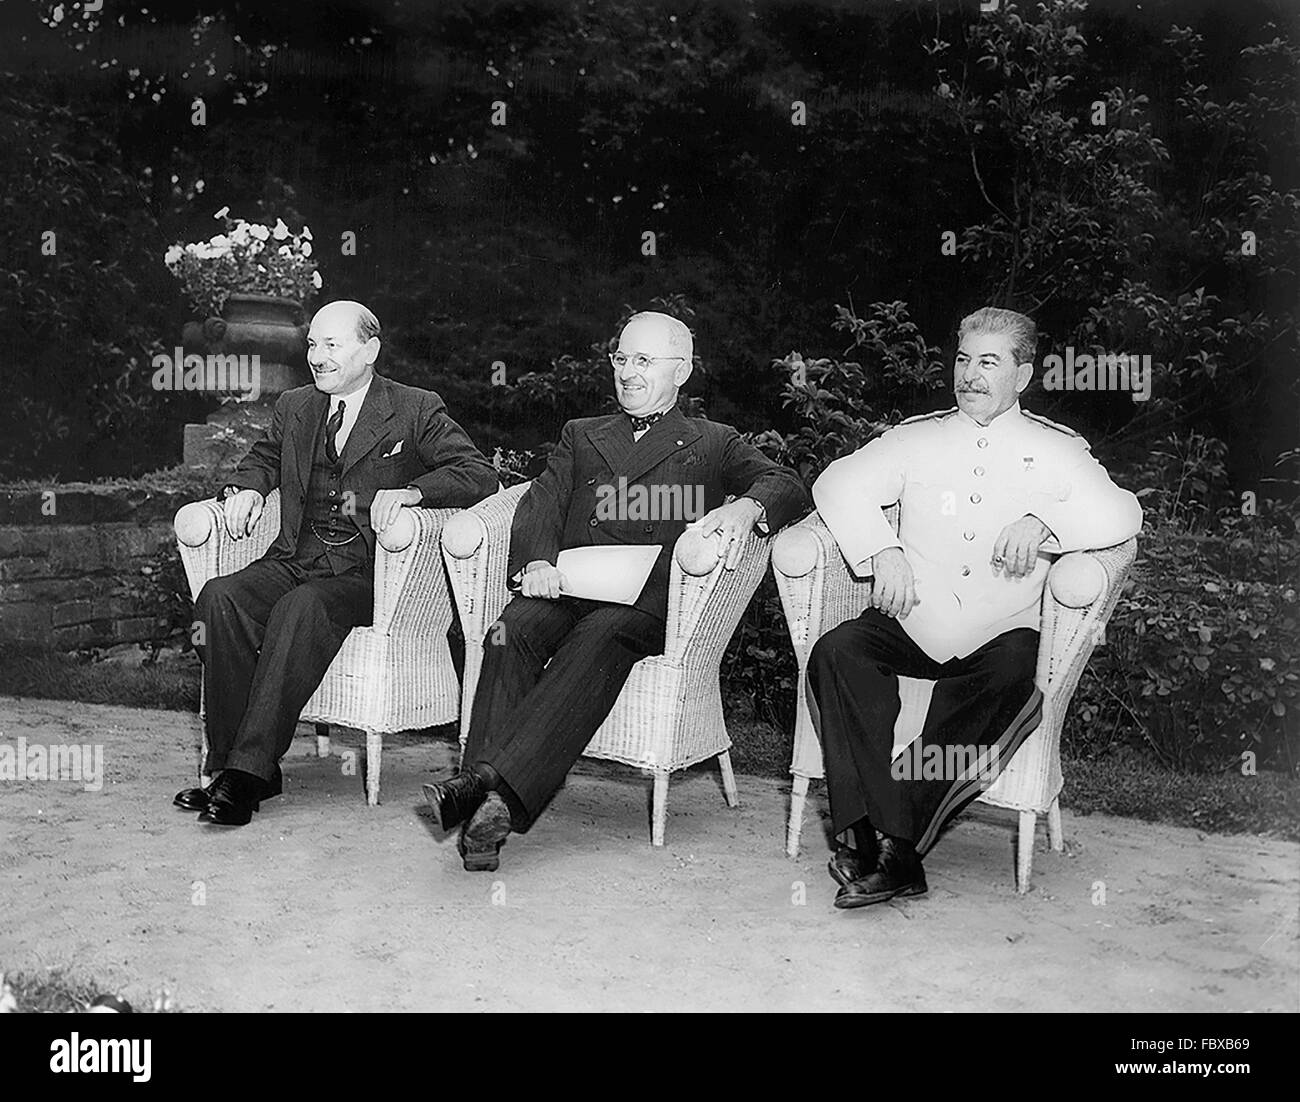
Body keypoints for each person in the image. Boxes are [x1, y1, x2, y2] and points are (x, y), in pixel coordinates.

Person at [423, 311, 808, 870]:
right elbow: (542, 501)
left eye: (644, 361)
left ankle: (483, 790)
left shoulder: (713, 441)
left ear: (682, 371)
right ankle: (490, 804)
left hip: (644, 605)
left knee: (601, 636)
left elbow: (788, 483)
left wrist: (748, 506)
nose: (628, 372)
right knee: (510, 631)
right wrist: (536, 562)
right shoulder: (581, 434)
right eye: (621, 359)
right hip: (570, 584)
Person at [807, 306, 1142, 908]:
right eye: (963, 359)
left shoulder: (1057, 449)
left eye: (989, 362)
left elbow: (1125, 513)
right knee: (838, 651)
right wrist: (882, 550)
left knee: (1016, 673)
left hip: (998, 630)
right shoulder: (916, 437)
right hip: (913, 617)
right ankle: (882, 846)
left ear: (1024, 375)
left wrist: (1048, 522)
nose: (970, 375)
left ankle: (883, 844)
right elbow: (835, 484)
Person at [174, 300, 498, 826]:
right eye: (311, 345)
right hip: (295, 557)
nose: (317, 357)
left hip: (369, 575)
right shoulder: (296, 405)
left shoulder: (414, 407)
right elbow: (261, 457)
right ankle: (235, 765)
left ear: (369, 350)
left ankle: (247, 774)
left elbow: (477, 474)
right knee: (219, 597)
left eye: (331, 345)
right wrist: (247, 489)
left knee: (303, 605)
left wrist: (416, 492)